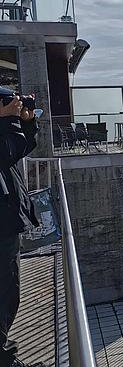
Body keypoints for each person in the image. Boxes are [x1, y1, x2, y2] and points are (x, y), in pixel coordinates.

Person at [0, 89, 42, 367]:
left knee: (9, 291)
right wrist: (9, 120)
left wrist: (26, 122)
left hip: (6, 226)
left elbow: (20, 148)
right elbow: (5, 152)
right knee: (4, 292)